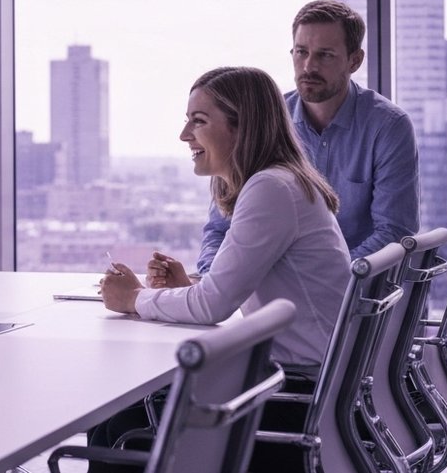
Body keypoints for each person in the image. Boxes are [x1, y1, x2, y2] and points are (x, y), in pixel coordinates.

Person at [96, 66, 351, 472]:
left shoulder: (271, 189)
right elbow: (226, 291)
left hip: (295, 398)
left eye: (198, 121)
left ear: (241, 127)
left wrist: (135, 298)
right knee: (126, 413)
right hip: (310, 387)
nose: (184, 135)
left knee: (119, 421)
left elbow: (212, 307)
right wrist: (188, 286)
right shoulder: (278, 183)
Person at [168, 0, 418, 286]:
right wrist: (216, 280)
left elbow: (394, 232)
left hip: (358, 301)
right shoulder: (266, 120)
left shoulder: (388, 127)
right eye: (301, 52)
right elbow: (220, 226)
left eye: (325, 55)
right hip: (268, 297)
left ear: (354, 61)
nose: (309, 66)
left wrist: (326, 283)